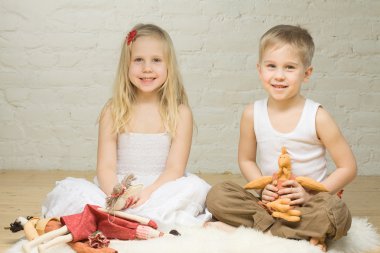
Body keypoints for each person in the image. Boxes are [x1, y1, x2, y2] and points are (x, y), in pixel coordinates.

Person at [42, 23, 211, 231]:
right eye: (138, 60)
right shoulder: (113, 110)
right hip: (117, 189)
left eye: (156, 60)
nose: (147, 68)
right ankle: (129, 219)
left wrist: (148, 192)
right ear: (127, 65)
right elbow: (106, 167)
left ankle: (121, 222)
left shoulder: (180, 112)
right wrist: (117, 196)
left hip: (160, 190)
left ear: (169, 66)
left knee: (195, 188)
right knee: (70, 191)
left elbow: (174, 169)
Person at [205, 24, 357, 252]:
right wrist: (262, 189)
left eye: (289, 67)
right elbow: (246, 160)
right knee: (217, 194)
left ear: (306, 73)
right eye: (271, 66)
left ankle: (260, 232)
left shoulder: (317, 116)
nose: (278, 75)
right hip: (267, 205)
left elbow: (348, 167)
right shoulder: (252, 113)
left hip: (306, 205)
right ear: (260, 70)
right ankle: (290, 236)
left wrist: (310, 194)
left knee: (335, 213)